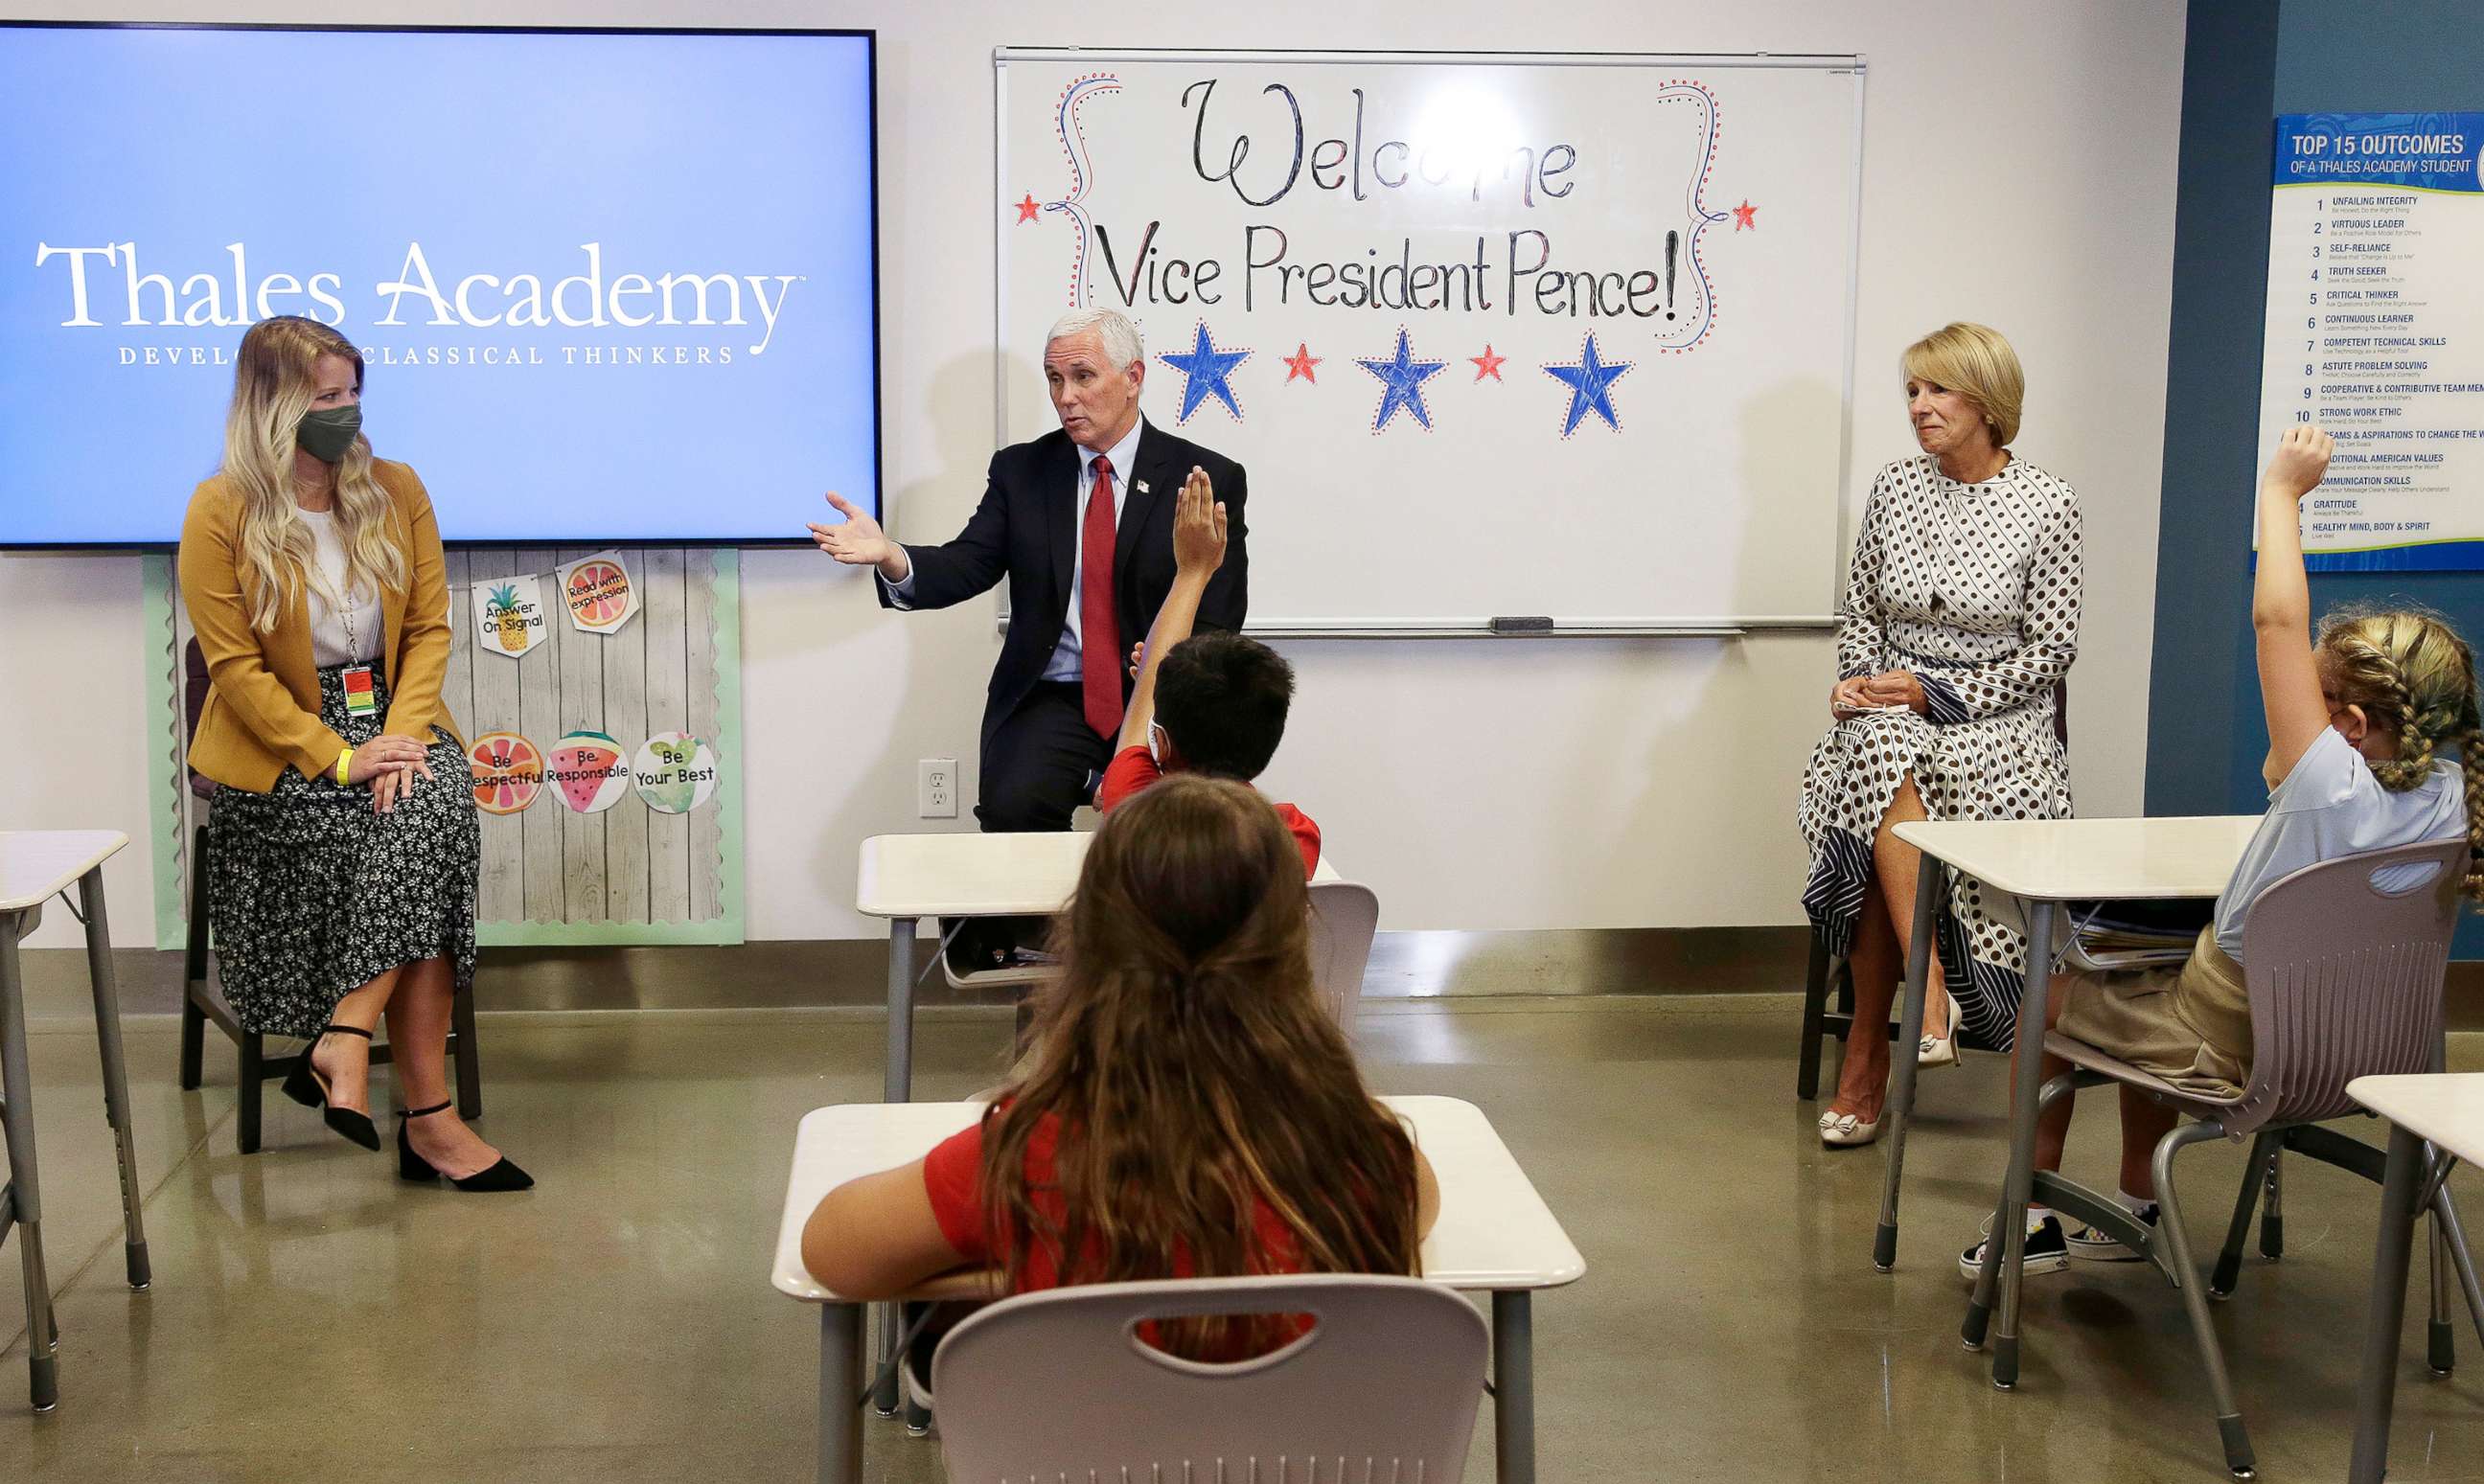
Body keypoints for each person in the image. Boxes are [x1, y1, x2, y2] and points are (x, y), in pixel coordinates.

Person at [1961, 425, 2482, 1277]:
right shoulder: (2458, 804)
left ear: (2347, 727)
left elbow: (2277, 614)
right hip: (2371, 1057)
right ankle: (2136, 1205)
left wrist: (2281, 492)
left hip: (2235, 1049)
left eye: (2308, 703)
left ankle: (2036, 1212)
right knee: (2137, 984)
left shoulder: (2327, 786)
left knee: (2048, 1000)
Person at [800, 774, 1437, 1371]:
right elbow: (1421, 1204)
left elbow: (832, 1250)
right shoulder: (1365, 1156)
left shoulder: (1027, 1155)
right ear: (1291, 958)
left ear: (1089, 948)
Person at [178, 315, 528, 1192]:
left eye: (352, 393)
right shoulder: (219, 510)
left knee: (431, 798)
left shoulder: (397, 488)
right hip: (285, 740)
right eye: (325, 396)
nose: (347, 411)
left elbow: (429, 629)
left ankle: (344, 1036)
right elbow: (236, 671)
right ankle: (429, 1120)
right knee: (429, 833)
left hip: (396, 716)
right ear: (272, 405)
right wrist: (338, 758)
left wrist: (399, 741)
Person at [1797, 322, 2083, 1147]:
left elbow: (2051, 651)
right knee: (1881, 748)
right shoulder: (1893, 488)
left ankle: (1870, 1051)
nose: (1919, 407)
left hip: (1999, 728)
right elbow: (1863, 612)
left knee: (1879, 778)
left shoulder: (2048, 503)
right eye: (1912, 392)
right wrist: (1857, 679)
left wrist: (1939, 692)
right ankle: (1927, 1002)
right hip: (1889, 716)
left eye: (1937, 391)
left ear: (1988, 401)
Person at [808, 306, 1250, 834]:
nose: (1066, 397)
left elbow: (1222, 614)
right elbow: (967, 564)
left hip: (1160, 698)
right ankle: (1023, 918)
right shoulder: (1023, 471)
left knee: (1182, 836)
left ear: (1133, 378)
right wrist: (891, 556)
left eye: (1083, 377)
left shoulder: (1202, 478)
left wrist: (1172, 657)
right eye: (1055, 380)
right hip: (1053, 695)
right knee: (1013, 809)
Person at [1095, 465, 1321, 876]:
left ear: (1160, 744)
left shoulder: (1133, 807)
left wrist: (1193, 570)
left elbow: (1136, 730)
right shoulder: (1292, 836)